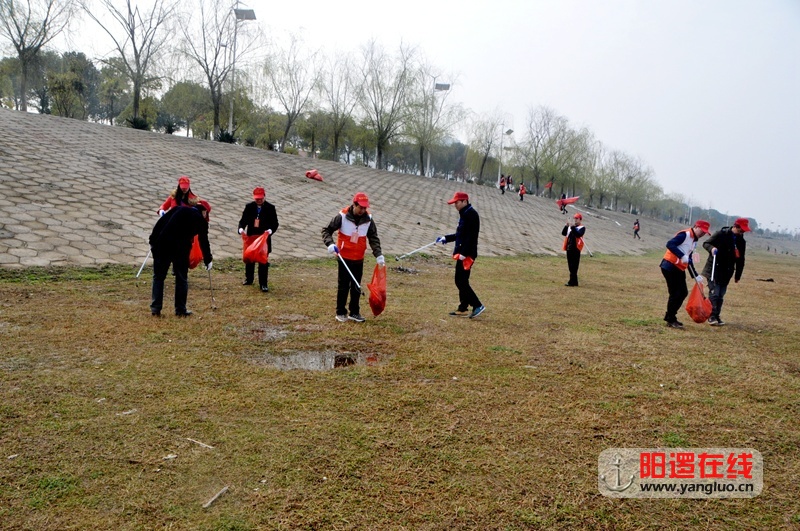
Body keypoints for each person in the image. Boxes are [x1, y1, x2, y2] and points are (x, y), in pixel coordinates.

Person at [321, 192, 384, 323]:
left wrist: (378, 254)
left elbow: (373, 238)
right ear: (354, 205)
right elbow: (326, 230)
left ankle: (354, 312)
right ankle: (341, 312)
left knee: (356, 286)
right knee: (343, 285)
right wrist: (330, 244)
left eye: (365, 208)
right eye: (360, 207)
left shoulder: (368, 220)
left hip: (359, 258)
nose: (363, 210)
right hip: (344, 257)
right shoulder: (342, 216)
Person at [149, 201, 213, 317]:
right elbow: (204, 241)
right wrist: (208, 259)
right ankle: (180, 310)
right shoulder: (200, 220)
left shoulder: (178, 208)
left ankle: (155, 309)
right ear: (204, 211)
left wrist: (153, 243)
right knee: (181, 278)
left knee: (158, 277)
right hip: (180, 250)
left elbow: (160, 223)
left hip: (162, 246)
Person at [436, 191, 485, 319]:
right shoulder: (464, 214)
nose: (455, 205)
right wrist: (446, 238)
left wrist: (464, 253)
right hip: (461, 253)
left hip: (467, 254)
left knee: (461, 281)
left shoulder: (472, 215)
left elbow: (471, 236)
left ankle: (477, 305)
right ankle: (463, 307)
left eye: (457, 202)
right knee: (461, 280)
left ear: (464, 201)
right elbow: (460, 234)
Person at [659, 220, 710, 328]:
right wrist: (681, 255)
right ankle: (671, 319)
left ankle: (670, 317)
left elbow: (689, 258)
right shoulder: (685, 235)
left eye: (705, 232)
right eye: (702, 230)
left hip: (679, 268)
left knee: (682, 292)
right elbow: (670, 244)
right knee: (676, 293)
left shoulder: (694, 240)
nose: (703, 234)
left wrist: (695, 275)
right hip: (669, 266)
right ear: (696, 226)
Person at [701, 217, 750, 326]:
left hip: (727, 272)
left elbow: (741, 259)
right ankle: (711, 316)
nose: (742, 232)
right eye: (741, 230)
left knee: (721, 295)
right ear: (735, 226)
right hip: (714, 269)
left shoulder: (741, 241)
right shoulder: (721, 234)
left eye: (744, 231)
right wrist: (712, 249)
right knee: (715, 293)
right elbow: (706, 243)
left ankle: (717, 315)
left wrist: (738, 275)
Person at [238, 187, 279, 292]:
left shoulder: (270, 208)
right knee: (249, 259)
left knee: (263, 262)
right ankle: (249, 278)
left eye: (260, 198)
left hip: (263, 239)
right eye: (257, 199)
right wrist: (241, 228)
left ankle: (263, 284)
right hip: (252, 237)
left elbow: (275, 223)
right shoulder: (249, 207)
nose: (259, 200)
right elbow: (243, 220)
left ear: (264, 196)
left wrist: (270, 230)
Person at [562, 213, 586, 286]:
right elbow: (563, 233)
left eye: (577, 218)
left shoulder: (582, 228)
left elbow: (578, 234)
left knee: (574, 266)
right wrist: (566, 226)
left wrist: (572, 227)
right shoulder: (571, 227)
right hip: (569, 247)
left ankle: (572, 281)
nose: (575, 220)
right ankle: (573, 281)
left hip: (576, 249)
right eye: (574, 218)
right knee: (570, 265)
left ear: (580, 220)